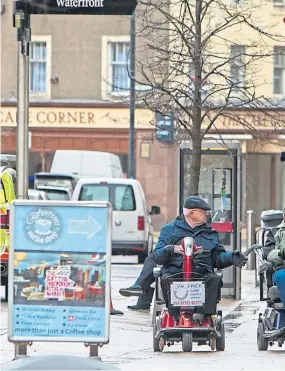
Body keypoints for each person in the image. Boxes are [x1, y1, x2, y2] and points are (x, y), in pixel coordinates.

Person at [119, 196, 248, 312]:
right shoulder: (169, 230)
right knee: (166, 279)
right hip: (175, 273)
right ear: (191, 214)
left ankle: (204, 318)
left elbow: (217, 258)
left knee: (214, 279)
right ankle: (174, 316)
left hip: (202, 274)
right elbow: (157, 256)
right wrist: (169, 249)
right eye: (202, 212)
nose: (206, 215)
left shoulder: (210, 233)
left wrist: (232, 257)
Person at [263, 208, 285, 306]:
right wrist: (281, 253)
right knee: (281, 276)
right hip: (282, 269)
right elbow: (267, 253)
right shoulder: (275, 232)